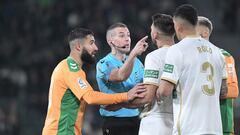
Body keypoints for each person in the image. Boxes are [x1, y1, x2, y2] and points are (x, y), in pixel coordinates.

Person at [42, 28, 146, 135]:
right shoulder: (69, 68)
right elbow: (90, 97)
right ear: (78, 46)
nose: (96, 48)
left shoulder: (71, 69)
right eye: (91, 43)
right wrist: (126, 96)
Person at [156, 4, 228, 135]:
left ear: (178, 27)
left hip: (188, 128)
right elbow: (224, 91)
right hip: (215, 128)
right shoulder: (218, 52)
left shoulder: (177, 50)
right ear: (196, 23)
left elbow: (164, 91)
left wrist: (156, 91)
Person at [96, 22, 148, 135]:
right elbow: (120, 76)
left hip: (137, 120)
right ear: (111, 41)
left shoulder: (137, 63)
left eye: (128, 35)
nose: (127, 39)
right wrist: (134, 54)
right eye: (121, 35)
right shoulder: (104, 63)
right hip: (115, 123)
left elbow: (145, 90)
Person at [196, 16, 239, 135]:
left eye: (193, 31)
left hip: (222, 123)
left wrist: (203, 92)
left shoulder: (223, 55)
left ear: (205, 33)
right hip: (198, 123)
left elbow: (233, 91)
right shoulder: (190, 57)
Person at [137, 13, 175, 135]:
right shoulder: (185, 55)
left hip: (156, 121)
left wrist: (120, 102)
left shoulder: (154, 57)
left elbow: (148, 96)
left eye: (151, 30)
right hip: (180, 121)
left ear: (155, 34)